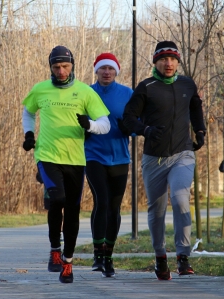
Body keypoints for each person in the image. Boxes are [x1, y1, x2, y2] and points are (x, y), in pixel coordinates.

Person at [21, 45, 110, 283]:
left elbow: (105, 124)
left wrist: (89, 125)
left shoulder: (84, 92)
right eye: (56, 67)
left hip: (75, 160)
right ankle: (54, 248)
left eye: (65, 66)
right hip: (47, 155)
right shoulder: (40, 89)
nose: (61, 71)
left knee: (72, 210)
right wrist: (29, 134)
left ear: (73, 66)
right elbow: (28, 112)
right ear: (50, 67)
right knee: (57, 198)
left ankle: (67, 262)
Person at [122, 41, 206, 280]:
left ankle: (183, 256)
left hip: (182, 154)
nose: (168, 63)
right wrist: (144, 130)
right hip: (153, 159)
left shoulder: (187, 84)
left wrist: (200, 132)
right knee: (157, 209)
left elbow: (196, 109)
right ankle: (160, 257)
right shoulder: (146, 87)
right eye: (163, 59)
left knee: (180, 199)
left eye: (172, 59)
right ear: (155, 62)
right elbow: (128, 118)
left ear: (178, 62)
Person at [85, 53, 133, 278]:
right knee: (101, 201)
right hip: (93, 155)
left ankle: (109, 256)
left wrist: (129, 128)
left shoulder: (127, 94)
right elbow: (75, 121)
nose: (106, 72)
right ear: (96, 71)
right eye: (102, 68)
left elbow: (137, 123)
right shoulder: (86, 93)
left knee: (114, 207)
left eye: (110, 69)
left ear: (116, 72)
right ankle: (97, 253)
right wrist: (83, 129)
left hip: (120, 157)